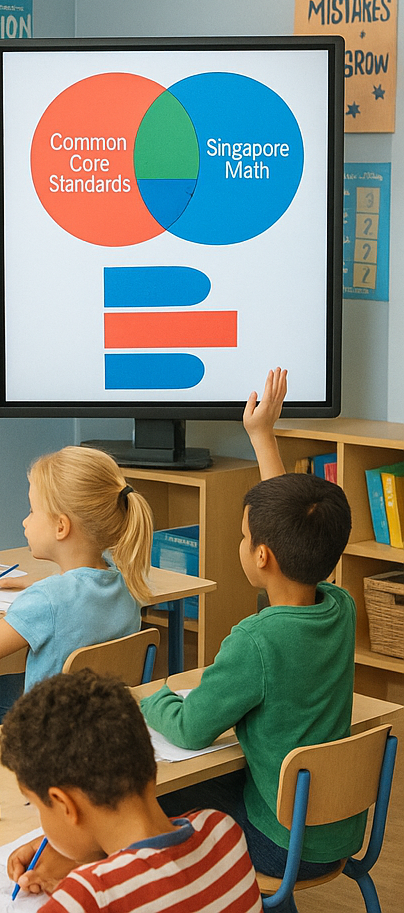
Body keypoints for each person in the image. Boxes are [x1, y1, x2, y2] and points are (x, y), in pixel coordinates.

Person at [141, 369, 358, 913]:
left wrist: (156, 696)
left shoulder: (255, 641)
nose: (242, 542)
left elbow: (191, 729)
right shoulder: (340, 609)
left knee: (152, 794)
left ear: (261, 556)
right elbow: (292, 526)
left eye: (244, 536)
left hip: (279, 841)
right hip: (336, 832)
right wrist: (263, 436)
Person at [0, 670, 262, 913]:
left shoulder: (88, 896)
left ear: (65, 806)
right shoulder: (223, 832)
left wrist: (88, 873)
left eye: (35, 806)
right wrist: (87, 858)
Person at [0, 446, 153, 730]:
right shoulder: (125, 580)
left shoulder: (45, 601)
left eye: (32, 511)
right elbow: (78, 595)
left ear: (61, 527)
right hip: (105, 722)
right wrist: (40, 584)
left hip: (53, 735)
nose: (25, 520)